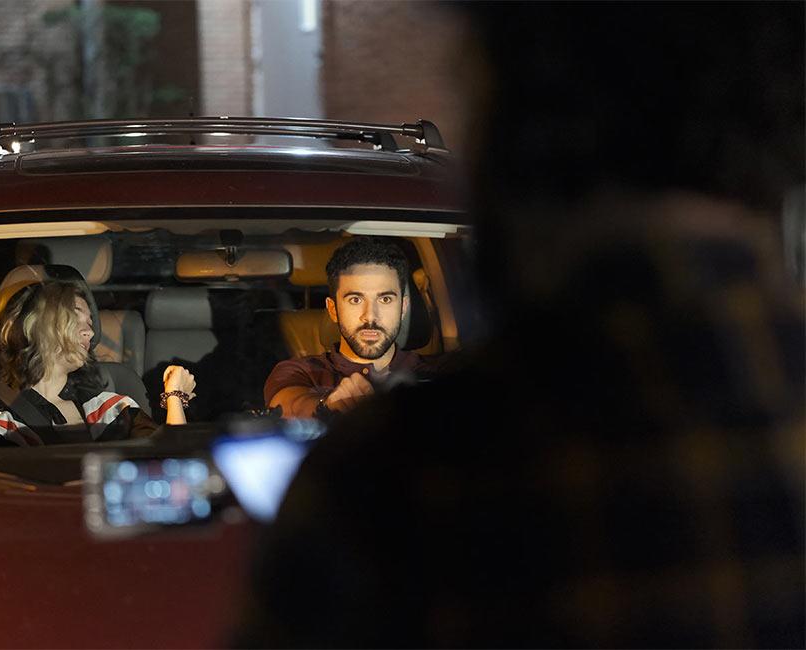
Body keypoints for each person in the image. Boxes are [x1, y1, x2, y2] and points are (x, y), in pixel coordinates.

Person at [236, 3, 804, 647]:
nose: (371, 316)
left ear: (521, 119)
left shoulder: (395, 486)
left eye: (469, 88)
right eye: (357, 301)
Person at [0, 281, 195, 446]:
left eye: (90, 321)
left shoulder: (112, 409)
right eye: (76, 314)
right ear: (36, 323)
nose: (89, 331)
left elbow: (171, 465)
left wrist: (174, 397)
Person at [264, 237, 441, 419]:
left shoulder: (439, 373)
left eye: (385, 299)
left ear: (403, 307)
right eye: (355, 300)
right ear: (333, 310)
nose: (370, 315)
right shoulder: (301, 371)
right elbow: (289, 405)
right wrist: (327, 405)